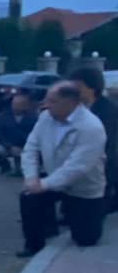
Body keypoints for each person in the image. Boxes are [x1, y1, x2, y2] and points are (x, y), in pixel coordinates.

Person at [17, 82, 107, 257]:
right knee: (29, 197)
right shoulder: (45, 118)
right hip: (52, 178)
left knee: (86, 239)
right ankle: (34, 245)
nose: (46, 105)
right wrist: (31, 177)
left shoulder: (92, 127)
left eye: (53, 101)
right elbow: (31, 148)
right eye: (47, 100)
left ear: (71, 102)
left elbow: (79, 166)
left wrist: (44, 184)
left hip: (84, 187)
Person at [69, 67, 118, 213]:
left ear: (92, 88)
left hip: (101, 162)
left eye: (78, 86)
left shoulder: (107, 110)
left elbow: (105, 142)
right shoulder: (74, 106)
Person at [0, 93, 39, 177]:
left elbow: (36, 135)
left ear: (25, 106)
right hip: (8, 146)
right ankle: (5, 167)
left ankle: (23, 167)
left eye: (18, 105)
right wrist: (9, 146)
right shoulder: (3, 116)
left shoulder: (33, 117)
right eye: (14, 104)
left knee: (21, 172)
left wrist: (25, 146)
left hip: (25, 146)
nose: (15, 107)